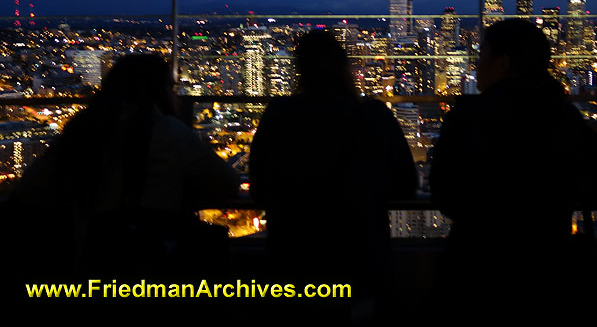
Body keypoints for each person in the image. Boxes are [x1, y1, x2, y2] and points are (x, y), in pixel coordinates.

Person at [430, 19, 597, 321]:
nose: (476, 67)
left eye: (482, 57)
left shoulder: (468, 118)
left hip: (476, 267)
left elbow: (445, 195)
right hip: (552, 270)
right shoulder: (568, 119)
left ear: (502, 63)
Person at [11, 54, 240, 283]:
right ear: (158, 91)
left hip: (86, 257)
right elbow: (228, 183)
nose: (176, 95)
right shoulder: (168, 132)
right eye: (171, 87)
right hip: (153, 261)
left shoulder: (82, 128)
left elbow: (30, 187)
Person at [249, 30, 417, 324]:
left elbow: (259, 187)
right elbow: (407, 184)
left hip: (293, 261)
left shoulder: (279, 116)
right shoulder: (373, 115)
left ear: (299, 70)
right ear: (345, 68)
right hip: (360, 261)